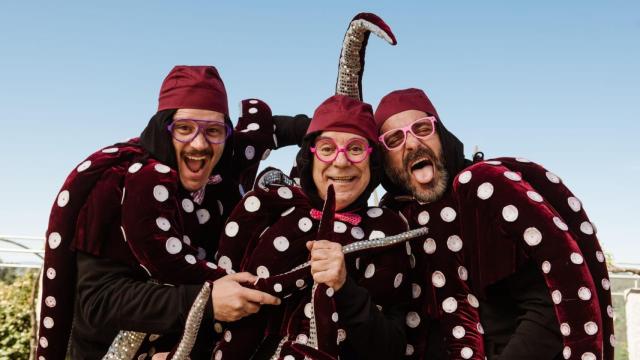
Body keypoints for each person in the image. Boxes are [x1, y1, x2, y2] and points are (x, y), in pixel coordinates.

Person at [36, 65, 308, 359]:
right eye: (185, 128)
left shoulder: (222, 174)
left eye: (213, 131)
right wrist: (205, 303)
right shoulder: (117, 183)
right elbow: (99, 301)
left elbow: (275, 130)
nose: (200, 143)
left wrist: (340, 127)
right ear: (164, 129)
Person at [374, 88, 614, 359]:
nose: (413, 143)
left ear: (441, 134)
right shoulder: (394, 219)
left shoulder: (481, 195)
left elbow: (548, 306)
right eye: (394, 139)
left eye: (422, 128)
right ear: (384, 160)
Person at [206, 95, 413, 360]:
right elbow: (213, 290)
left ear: (372, 160)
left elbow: (391, 349)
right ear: (309, 156)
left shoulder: (389, 230)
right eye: (327, 148)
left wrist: (344, 287)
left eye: (356, 148)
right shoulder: (266, 207)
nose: (341, 161)